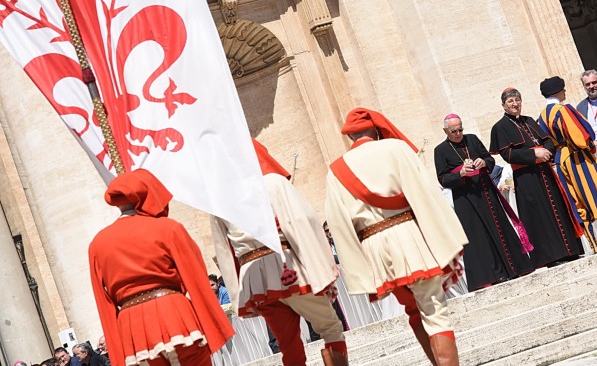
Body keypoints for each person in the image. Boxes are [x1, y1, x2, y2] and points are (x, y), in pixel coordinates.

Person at [325, 108, 468, 366]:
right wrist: (444, 235)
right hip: (408, 234)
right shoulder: (395, 149)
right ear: (375, 130)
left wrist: (358, 266)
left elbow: (338, 222)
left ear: (350, 137)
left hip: (373, 245)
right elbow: (425, 193)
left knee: (413, 310)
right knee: (434, 310)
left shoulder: (336, 170)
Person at [211, 139, 348, 366]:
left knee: (288, 344)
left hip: (254, 277)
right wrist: (322, 268)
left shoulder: (221, 201)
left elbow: (224, 253)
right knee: (331, 328)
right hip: (287, 265)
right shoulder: (274, 183)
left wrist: (239, 294)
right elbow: (304, 223)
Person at [88, 169, 234, 366]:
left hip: (132, 329)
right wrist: (213, 325)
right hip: (174, 314)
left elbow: (103, 301)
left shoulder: (97, 244)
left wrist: (117, 351)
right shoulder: (167, 228)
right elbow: (196, 278)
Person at [537, 77, 597, 253]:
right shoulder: (563, 110)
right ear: (557, 91)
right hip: (577, 156)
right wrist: (588, 146)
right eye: (563, 89)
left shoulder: (542, 115)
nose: (565, 92)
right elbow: (578, 135)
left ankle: (594, 244)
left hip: (561, 159)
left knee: (577, 200)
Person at [434, 113, 533, 289]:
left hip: (485, 192)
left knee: (499, 228)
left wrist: (484, 162)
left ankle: (513, 268)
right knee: (478, 237)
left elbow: (490, 159)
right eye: (454, 131)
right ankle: (492, 276)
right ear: (445, 131)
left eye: (460, 129)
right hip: (465, 199)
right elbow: (443, 179)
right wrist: (460, 174)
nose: (458, 134)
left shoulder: (471, 139)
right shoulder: (440, 150)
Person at [489, 88, 584, 269]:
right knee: (540, 216)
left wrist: (546, 151)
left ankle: (570, 250)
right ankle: (551, 256)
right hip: (527, 178)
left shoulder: (529, 121)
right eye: (510, 101)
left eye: (517, 100)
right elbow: (508, 154)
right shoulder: (500, 128)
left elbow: (547, 140)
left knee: (557, 209)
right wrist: (535, 154)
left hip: (545, 173)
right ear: (503, 105)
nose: (515, 104)